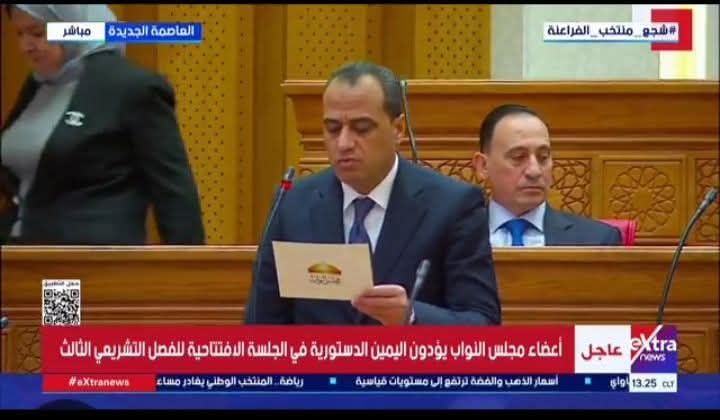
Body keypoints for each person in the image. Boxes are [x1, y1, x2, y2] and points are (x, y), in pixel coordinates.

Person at [245, 61, 500, 325]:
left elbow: (483, 323)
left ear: (398, 129)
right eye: (333, 128)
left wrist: (412, 317)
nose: (344, 143)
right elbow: (261, 324)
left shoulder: (453, 206)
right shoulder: (292, 205)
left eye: (362, 128)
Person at [0, 5, 205, 245]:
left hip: (91, 258)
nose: (25, 47)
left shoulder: (130, 87)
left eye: (37, 33)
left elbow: (174, 193)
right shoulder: (39, 85)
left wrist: (186, 264)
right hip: (21, 254)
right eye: (20, 34)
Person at [472, 104, 621, 247]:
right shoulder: (459, 237)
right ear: (483, 166)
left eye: (543, 157)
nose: (534, 171)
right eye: (518, 157)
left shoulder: (597, 240)